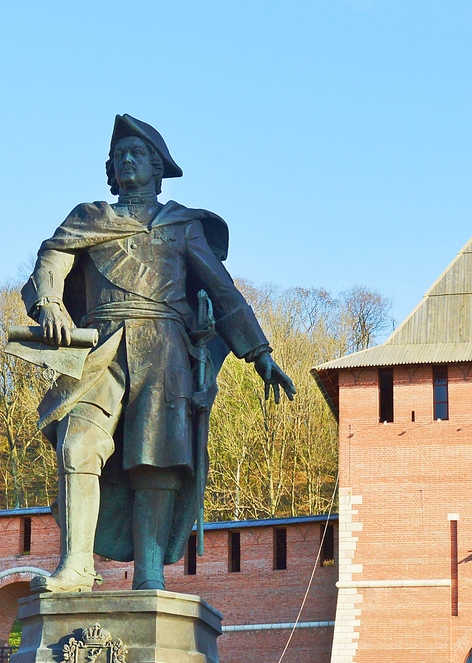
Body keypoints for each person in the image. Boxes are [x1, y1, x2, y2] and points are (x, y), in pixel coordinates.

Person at [23, 114, 296, 592]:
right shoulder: (88, 218)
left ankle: (150, 575)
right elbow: (52, 258)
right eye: (119, 155)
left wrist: (260, 353)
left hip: (164, 350)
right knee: (77, 445)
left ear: (156, 166)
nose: (127, 160)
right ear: (110, 168)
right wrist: (48, 302)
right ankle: (76, 566)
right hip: (98, 348)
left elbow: (223, 292)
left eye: (137, 154)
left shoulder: (181, 225)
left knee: (157, 462)